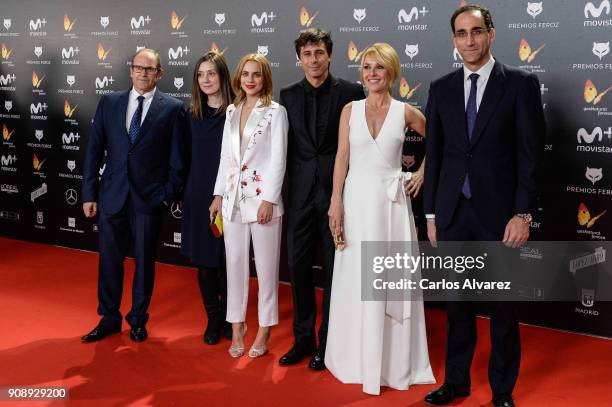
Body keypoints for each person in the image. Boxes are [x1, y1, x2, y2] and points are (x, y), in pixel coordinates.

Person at [423, 5, 545, 407]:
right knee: (457, 307)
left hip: (501, 217)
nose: (470, 40)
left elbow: (531, 157)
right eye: (462, 33)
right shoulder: (440, 88)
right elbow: (436, 157)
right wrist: (431, 214)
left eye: (477, 31)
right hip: (454, 213)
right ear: (454, 40)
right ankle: (455, 382)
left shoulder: (520, 85)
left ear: (491, 33)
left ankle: (502, 391)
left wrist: (523, 214)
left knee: (503, 311)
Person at [325, 43, 435, 395]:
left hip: (391, 208)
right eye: (367, 67)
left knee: (388, 279)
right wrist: (335, 202)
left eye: (379, 68)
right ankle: (354, 358)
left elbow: (444, 145)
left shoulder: (406, 112)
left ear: (392, 72)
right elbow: (342, 158)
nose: (372, 73)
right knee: (355, 278)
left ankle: (392, 363)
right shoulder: (349, 110)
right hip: (355, 202)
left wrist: (421, 171)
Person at [81, 48, 186, 343]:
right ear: (130, 70)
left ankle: (138, 319)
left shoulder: (173, 108)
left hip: (148, 200)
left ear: (159, 73)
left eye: (149, 69)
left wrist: (166, 196)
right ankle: (109, 318)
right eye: (138, 67)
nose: (142, 73)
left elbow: (178, 160)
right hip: (112, 196)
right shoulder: (110, 102)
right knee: (109, 260)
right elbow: (94, 150)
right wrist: (89, 193)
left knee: (144, 261)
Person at [279, 28, 365, 371]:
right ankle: (303, 340)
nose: (313, 60)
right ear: (299, 59)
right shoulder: (286, 96)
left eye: (319, 53)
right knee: (298, 270)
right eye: (307, 54)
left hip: (337, 197)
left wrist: (342, 195)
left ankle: (328, 343)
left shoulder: (352, 92)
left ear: (330, 55)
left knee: (334, 273)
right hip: (298, 194)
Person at [210, 53, 288, 358]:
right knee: (235, 266)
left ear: (265, 77)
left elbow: (278, 159)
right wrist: (217, 196)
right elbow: (226, 159)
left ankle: (265, 329)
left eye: (256, 74)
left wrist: (270, 198)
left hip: (263, 202)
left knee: (267, 271)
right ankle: (237, 325)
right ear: (238, 78)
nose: (250, 80)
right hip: (231, 202)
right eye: (245, 74)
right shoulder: (232, 109)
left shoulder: (275, 112)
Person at [181, 52, 235, 345]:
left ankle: (229, 318)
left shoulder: (238, 112)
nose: (206, 80)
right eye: (201, 75)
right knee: (205, 261)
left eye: (211, 73)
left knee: (228, 260)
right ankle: (213, 319)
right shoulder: (190, 116)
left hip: (230, 196)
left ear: (223, 76)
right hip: (199, 195)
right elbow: (183, 158)